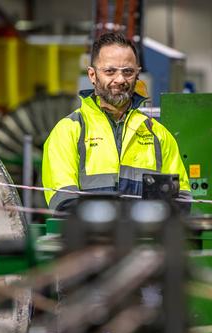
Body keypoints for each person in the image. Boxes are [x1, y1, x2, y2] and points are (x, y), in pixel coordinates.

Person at [42, 32, 191, 210]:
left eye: (127, 72)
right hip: (89, 237)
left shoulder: (159, 136)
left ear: (137, 74)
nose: (120, 80)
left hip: (146, 238)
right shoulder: (68, 131)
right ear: (92, 75)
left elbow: (180, 201)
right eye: (109, 71)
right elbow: (63, 201)